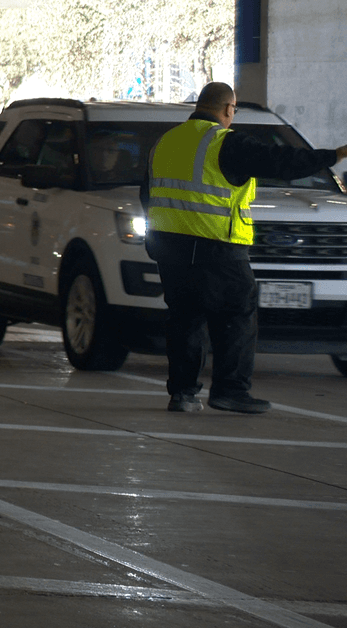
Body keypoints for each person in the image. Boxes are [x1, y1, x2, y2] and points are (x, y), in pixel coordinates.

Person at [141, 82, 347, 414]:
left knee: (184, 320)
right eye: (233, 111)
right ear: (227, 109)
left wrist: (158, 243)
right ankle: (230, 391)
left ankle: (182, 394)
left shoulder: (165, 142)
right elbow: (281, 162)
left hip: (171, 249)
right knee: (236, 316)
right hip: (218, 248)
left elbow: (147, 197)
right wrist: (334, 155)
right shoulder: (225, 142)